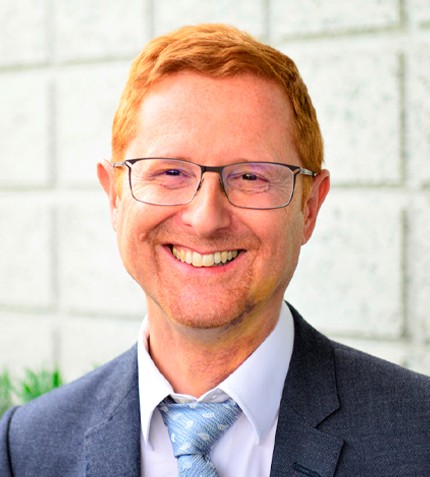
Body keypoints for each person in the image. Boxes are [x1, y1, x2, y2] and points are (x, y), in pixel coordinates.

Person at [1, 23, 429, 477]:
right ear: (115, 198)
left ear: (309, 208)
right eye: (170, 172)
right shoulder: (25, 448)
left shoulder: (419, 435)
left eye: (251, 176)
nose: (206, 219)